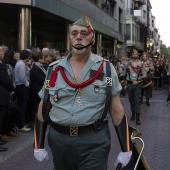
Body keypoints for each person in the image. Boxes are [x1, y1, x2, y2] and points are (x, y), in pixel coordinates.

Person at [33, 13, 132, 170]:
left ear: (92, 39)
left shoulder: (106, 68)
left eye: (84, 33)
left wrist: (126, 148)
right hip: (59, 140)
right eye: (74, 33)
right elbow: (43, 106)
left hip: (94, 141)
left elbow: (117, 110)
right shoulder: (54, 69)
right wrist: (38, 144)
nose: (78, 37)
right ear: (70, 39)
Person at [0, 46, 15, 151]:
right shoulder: (1, 66)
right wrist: (12, 88)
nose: (3, 53)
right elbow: (7, 80)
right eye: (1, 51)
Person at [126, 49, 146, 125]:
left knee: (137, 100)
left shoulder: (141, 64)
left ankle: (138, 118)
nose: (134, 55)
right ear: (131, 55)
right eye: (133, 53)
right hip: (130, 84)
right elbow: (124, 73)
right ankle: (133, 113)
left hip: (137, 85)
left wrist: (138, 81)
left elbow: (144, 76)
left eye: (136, 54)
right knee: (131, 101)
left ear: (138, 55)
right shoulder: (128, 63)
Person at [14, 50, 31, 131]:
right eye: (29, 56)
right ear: (26, 56)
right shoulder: (21, 64)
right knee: (22, 106)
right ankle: (20, 125)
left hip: (20, 86)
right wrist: (27, 84)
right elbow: (22, 77)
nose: (29, 58)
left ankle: (21, 123)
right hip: (22, 86)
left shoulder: (20, 63)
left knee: (22, 105)